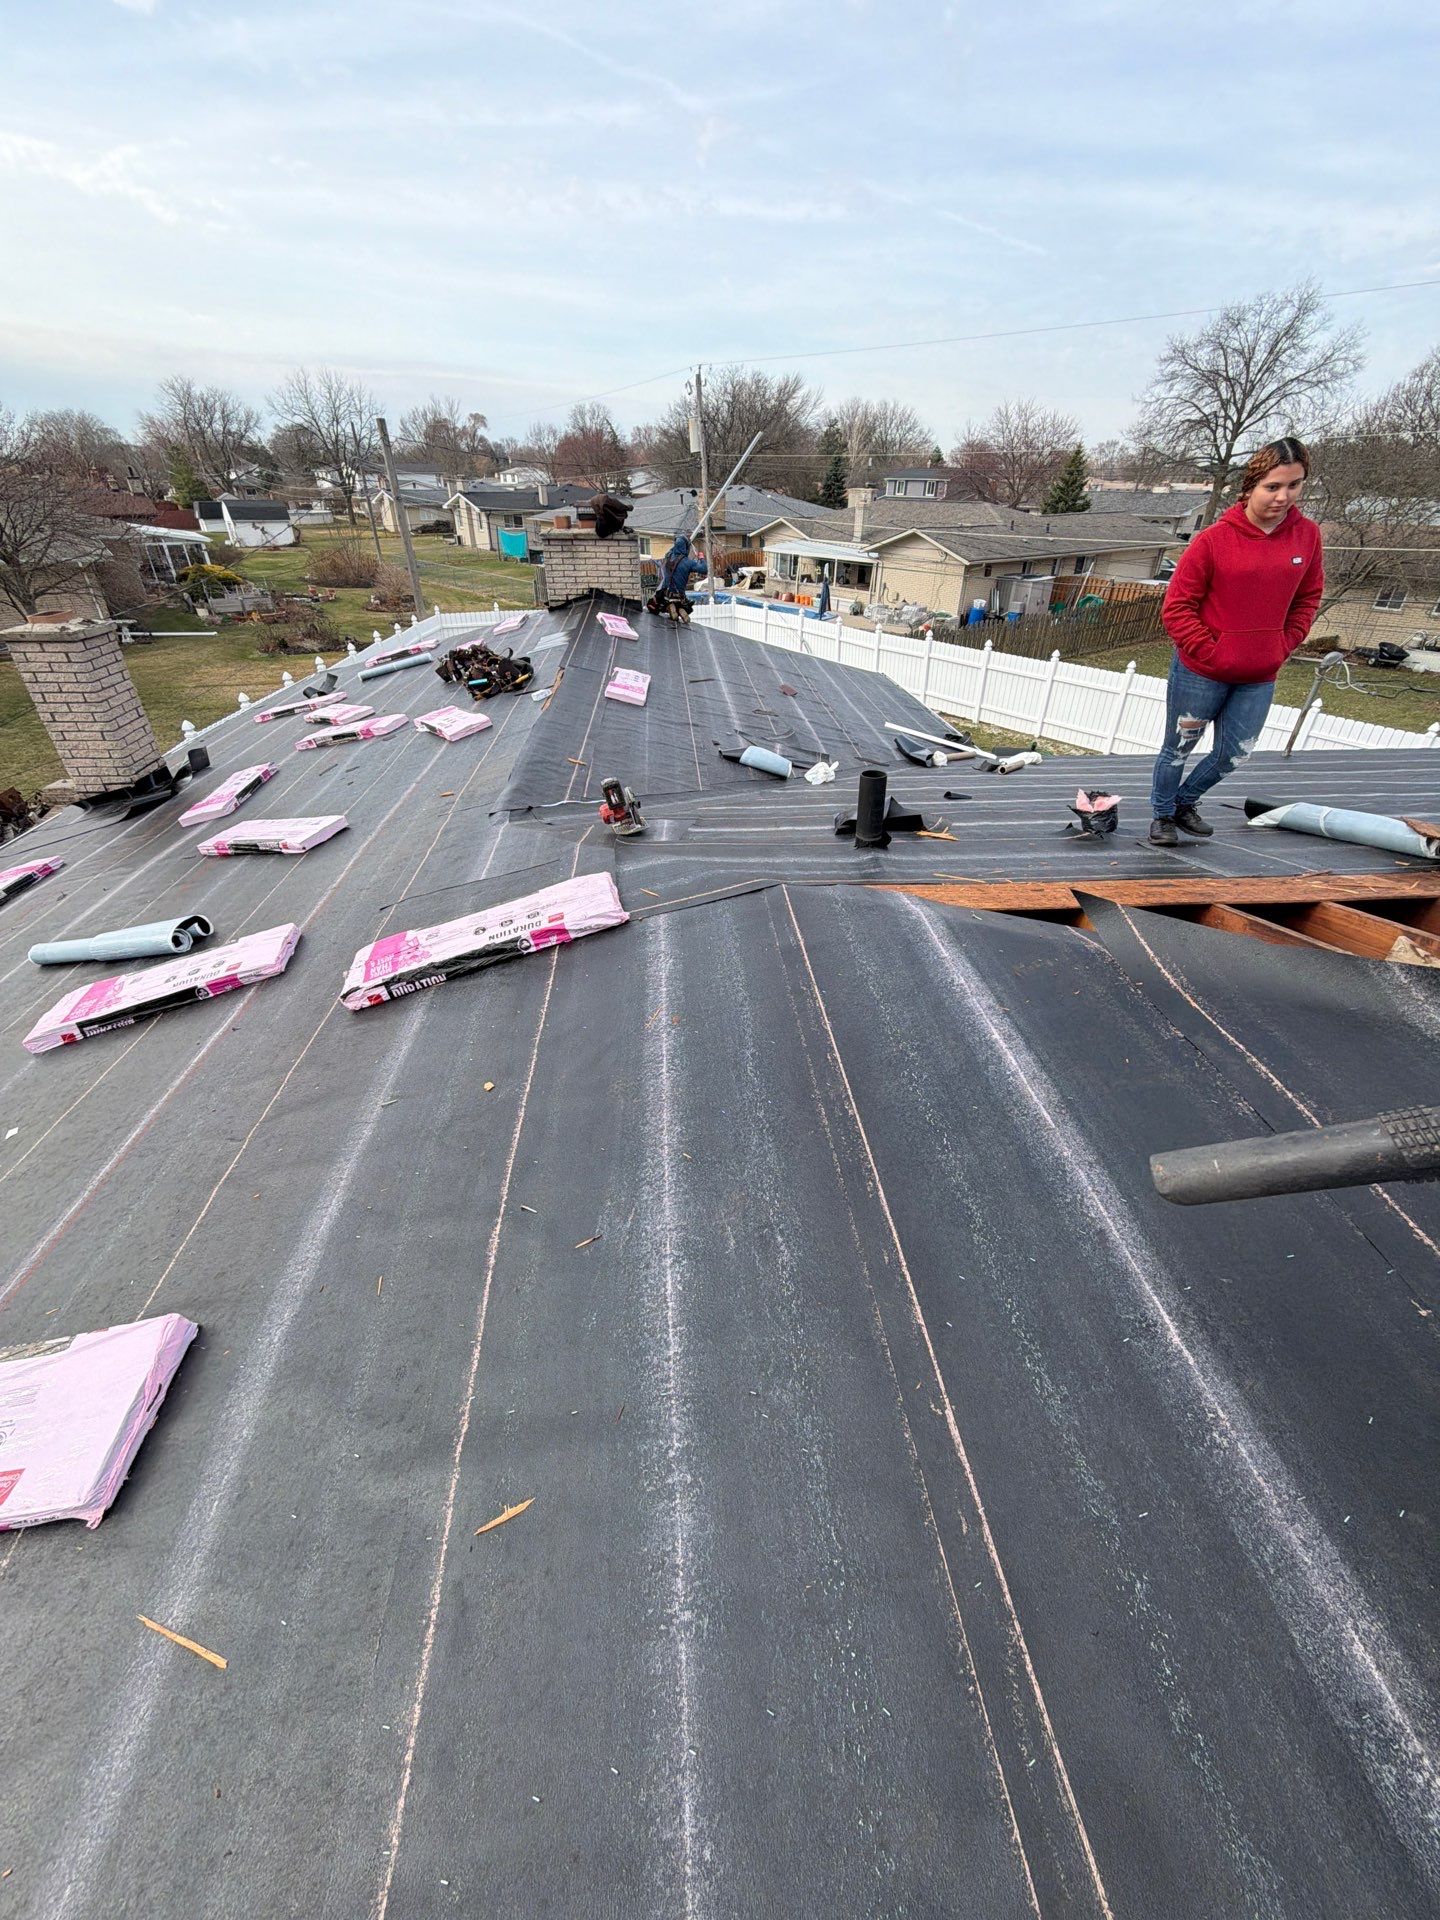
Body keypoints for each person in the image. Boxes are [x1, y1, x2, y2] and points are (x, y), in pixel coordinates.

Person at [1149, 437, 1323, 845]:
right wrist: (1212, 651)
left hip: (1260, 671)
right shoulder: (1214, 540)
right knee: (1178, 747)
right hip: (1201, 671)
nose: (1283, 497)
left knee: (1235, 752)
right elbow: (1177, 607)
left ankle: (1183, 802)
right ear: (1251, 486)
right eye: (1273, 487)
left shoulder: (1307, 537)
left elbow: (1307, 599)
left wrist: (1283, 644)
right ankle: (1161, 815)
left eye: (1293, 486)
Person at [646, 533, 707, 624]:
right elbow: (704, 569)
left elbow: (673, 549)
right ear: (686, 547)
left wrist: (679, 542)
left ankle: (670, 607)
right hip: (680, 595)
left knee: (658, 603)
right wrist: (701, 558)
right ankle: (681, 610)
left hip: (666, 594)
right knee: (687, 606)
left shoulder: (668, 556)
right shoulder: (689, 562)